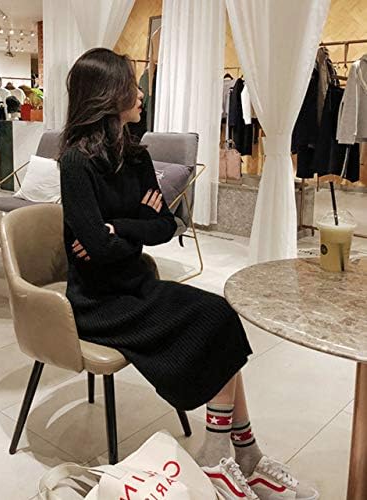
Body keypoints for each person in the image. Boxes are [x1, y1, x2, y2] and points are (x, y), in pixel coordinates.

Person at [59, 48, 317, 500]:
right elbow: (95, 250)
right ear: (108, 94)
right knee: (214, 320)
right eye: (131, 85)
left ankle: (237, 453)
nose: (141, 94)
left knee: (221, 315)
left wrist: (119, 228)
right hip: (98, 302)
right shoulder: (76, 163)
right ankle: (232, 455)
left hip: (138, 284)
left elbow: (166, 226)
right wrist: (123, 231)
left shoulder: (137, 157)